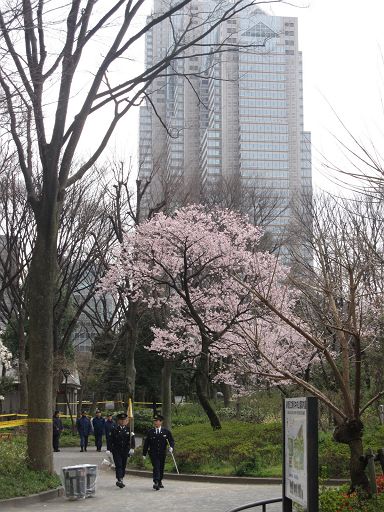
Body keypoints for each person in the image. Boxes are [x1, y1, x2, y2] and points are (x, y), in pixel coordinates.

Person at [142, 414, 175, 490]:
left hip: (162, 453)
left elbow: (171, 441)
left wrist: (171, 447)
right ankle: (156, 481)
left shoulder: (166, 432)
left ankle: (159, 481)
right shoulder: (150, 432)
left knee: (161, 467)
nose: (155, 422)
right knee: (156, 466)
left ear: (161, 422)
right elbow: (146, 443)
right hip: (153, 453)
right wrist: (144, 453)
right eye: (154, 421)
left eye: (157, 421)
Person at [109, 412, 135, 488]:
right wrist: (108, 449)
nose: (123, 421)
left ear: (127, 421)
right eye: (121, 420)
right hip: (116, 450)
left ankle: (121, 478)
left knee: (123, 465)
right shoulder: (114, 430)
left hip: (125, 450)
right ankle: (119, 479)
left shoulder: (129, 430)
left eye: (124, 420)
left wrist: (132, 448)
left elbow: (132, 440)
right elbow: (110, 440)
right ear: (118, 421)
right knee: (118, 465)